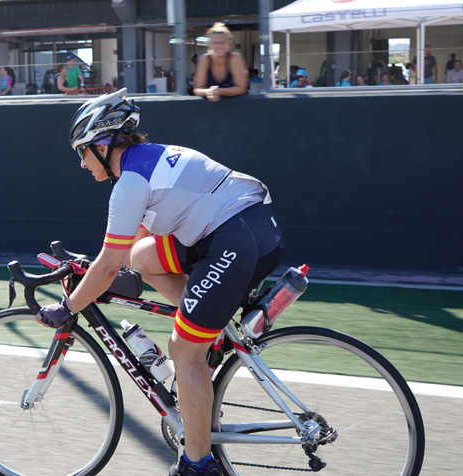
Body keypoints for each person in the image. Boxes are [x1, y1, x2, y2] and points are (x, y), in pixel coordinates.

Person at [37, 88, 283, 476]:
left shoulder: (130, 182)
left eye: (82, 152)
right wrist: (88, 268)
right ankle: (211, 332)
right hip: (251, 230)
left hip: (232, 242)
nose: (82, 164)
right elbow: (124, 253)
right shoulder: (150, 161)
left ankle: (197, 464)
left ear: (103, 144)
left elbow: (106, 269)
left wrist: (68, 306)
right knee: (145, 257)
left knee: (184, 352)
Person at [192, 22, 249, 101]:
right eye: (215, 43)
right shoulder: (205, 59)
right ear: (210, 45)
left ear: (228, 44)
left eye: (222, 42)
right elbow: (197, 89)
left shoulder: (236, 58)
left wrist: (219, 91)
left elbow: (241, 88)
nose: (219, 46)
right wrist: (208, 92)